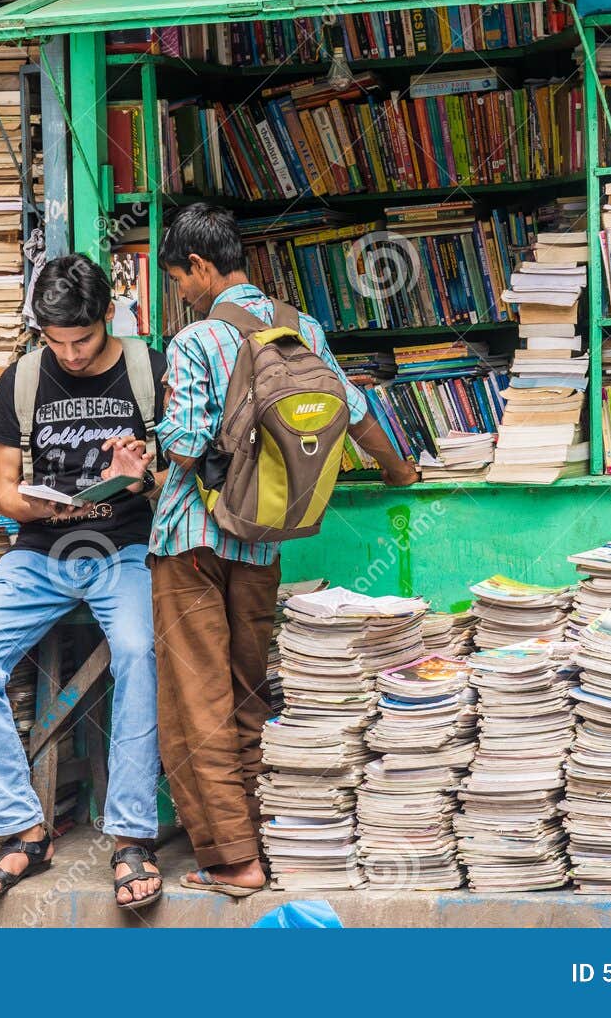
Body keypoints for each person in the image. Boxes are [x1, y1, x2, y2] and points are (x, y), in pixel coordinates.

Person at [151, 202, 420, 896]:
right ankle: (266, 835)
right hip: (265, 541)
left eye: (179, 279)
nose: (180, 293)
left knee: (196, 698)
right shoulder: (301, 328)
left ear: (202, 268)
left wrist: (147, 465)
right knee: (247, 690)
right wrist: (401, 474)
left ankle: (235, 859)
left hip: (193, 542)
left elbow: (182, 447)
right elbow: (354, 413)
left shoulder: (195, 341)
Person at [0, 254, 167, 909]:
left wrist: (139, 474)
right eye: (54, 340)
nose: (69, 354)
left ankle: (129, 838)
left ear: (108, 318)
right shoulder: (22, 380)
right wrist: (45, 507)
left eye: (83, 339)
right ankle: (23, 831)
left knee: (137, 650)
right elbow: (5, 494)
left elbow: (183, 478)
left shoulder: (149, 372)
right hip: (40, 552)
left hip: (124, 546)